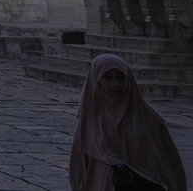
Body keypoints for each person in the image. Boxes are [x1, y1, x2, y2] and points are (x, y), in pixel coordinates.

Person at [69, 53, 186, 191]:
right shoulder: (90, 117)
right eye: (107, 77)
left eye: (121, 77)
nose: (115, 83)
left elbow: (170, 159)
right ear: (96, 79)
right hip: (102, 183)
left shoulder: (146, 115)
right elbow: (80, 163)